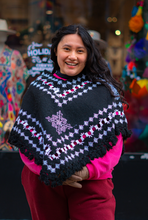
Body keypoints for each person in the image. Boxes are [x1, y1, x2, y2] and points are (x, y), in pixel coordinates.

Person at [8, 24, 131, 220]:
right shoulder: (38, 89)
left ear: (88, 55)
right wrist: (51, 170)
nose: (72, 56)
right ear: (56, 50)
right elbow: (26, 141)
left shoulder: (104, 91)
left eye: (80, 51)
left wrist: (85, 171)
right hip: (45, 181)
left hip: (91, 183)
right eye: (67, 49)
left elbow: (114, 143)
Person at [0, 19, 29, 150]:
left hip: (9, 104)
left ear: (6, 35)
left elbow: (22, 78)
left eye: (2, 33)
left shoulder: (15, 56)